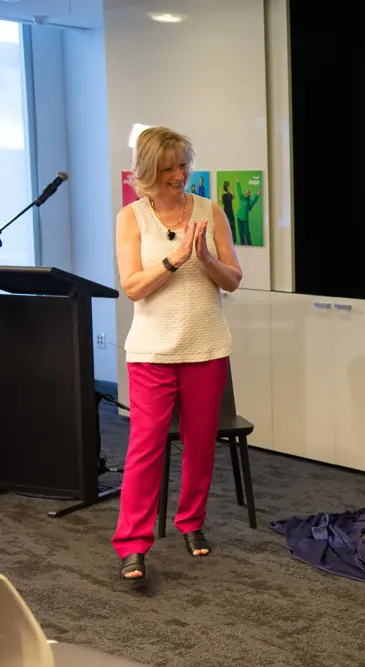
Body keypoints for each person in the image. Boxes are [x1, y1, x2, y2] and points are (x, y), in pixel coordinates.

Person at [114, 126, 243, 581]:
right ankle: (132, 543)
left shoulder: (211, 211)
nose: (179, 174)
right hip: (151, 351)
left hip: (206, 345)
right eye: (169, 166)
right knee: (144, 449)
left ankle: (191, 523)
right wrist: (173, 260)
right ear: (149, 171)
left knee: (201, 445)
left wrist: (203, 257)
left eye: (183, 164)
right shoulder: (131, 218)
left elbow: (232, 279)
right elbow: (132, 288)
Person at [235, 177, 260, 246]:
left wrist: (257, 195)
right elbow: (239, 191)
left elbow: (254, 201)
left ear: (249, 194)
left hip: (245, 219)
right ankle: (242, 245)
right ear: (245, 193)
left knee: (246, 233)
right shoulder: (242, 198)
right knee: (241, 233)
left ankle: (249, 245)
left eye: (248, 192)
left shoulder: (249, 202)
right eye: (246, 192)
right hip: (239, 218)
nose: (247, 193)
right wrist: (237, 182)